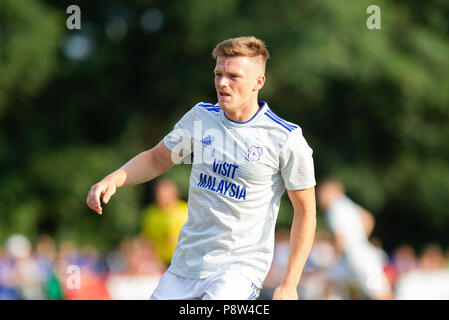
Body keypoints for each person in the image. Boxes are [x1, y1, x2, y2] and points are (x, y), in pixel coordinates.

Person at [86, 36, 317, 300]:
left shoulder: (285, 138)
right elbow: (157, 159)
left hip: (237, 271)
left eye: (233, 76)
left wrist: (289, 283)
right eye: (218, 73)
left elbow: (305, 210)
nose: (222, 83)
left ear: (258, 82)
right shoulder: (201, 118)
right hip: (185, 266)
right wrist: (115, 179)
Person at [316, 179, 394, 299]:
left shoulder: (334, 208)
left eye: (322, 193)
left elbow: (339, 236)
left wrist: (336, 255)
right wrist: (360, 237)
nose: (320, 198)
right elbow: (368, 218)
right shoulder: (346, 204)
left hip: (358, 258)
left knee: (380, 294)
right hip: (359, 254)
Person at [141, 178, 188, 265]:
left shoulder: (186, 211)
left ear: (174, 194)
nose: (161, 197)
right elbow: (147, 239)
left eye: (165, 194)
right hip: (160, 262)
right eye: (159, 194)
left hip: (184, 260)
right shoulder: (151, 214)